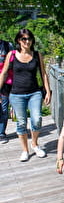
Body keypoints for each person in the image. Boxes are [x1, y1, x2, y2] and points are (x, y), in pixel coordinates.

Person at [0, 28, 51, 161]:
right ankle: (25, 150)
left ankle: (34, 144)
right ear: (18, 40)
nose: (27, 41)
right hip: (16, 94)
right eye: (24, 39)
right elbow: (4, 73)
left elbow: (43, 74)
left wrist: (48, 91)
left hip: (34, 93)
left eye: (29, 39)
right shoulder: (11, 55)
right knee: (21, 122)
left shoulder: (37, 55)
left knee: (37, 119)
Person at [0, 37, 14, 144]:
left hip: (5, 82)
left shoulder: (7, 45)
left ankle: (1, 133)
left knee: (3, 108)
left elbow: (14, 63)